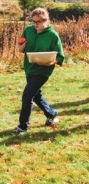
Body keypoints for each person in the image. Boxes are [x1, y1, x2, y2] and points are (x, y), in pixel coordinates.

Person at [13, 7, 65, 136]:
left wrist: (48, 62)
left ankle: (23, 127)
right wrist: (21, 45)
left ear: (46, 20)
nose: (35, 24)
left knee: (27, 96)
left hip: (43, 71)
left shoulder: (53, 35)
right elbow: (20, 48)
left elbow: (59, 57)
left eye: (39, 22)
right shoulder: (28, 30)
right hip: (30, 68)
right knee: (36, 96)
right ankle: (51, 114)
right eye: (34, 21)